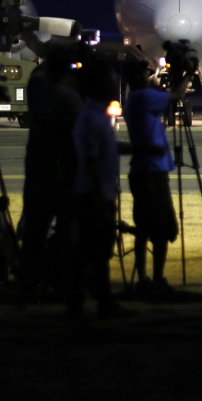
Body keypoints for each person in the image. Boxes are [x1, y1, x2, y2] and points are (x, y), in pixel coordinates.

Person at [66, 59, 131, 319]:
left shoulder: (98, 115)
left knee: (99, 249)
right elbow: (91, 162)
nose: (114, 86)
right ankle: (83, 303)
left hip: (100, 191)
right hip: (94, 194)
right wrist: (98, 200)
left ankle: (98, 301)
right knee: (91, 250)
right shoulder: (92, 118)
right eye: (110, 81)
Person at [19, 48, 82, 299]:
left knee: (34, 231)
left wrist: (47, 60)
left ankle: (29, 285)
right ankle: (63, 284)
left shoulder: (36, 91)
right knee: (66, 232)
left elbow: (35, 75)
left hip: (36, 169)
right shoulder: (69, 98)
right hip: (63, 172)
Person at [122, 58, 184, 296]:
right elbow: (175, 96)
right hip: (152, 172)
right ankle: (155, 278)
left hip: (144, 170)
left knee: (145, 227)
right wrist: (187, 72)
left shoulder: (135, 100)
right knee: (160, 228)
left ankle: (146, 278)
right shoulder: (143, 97)